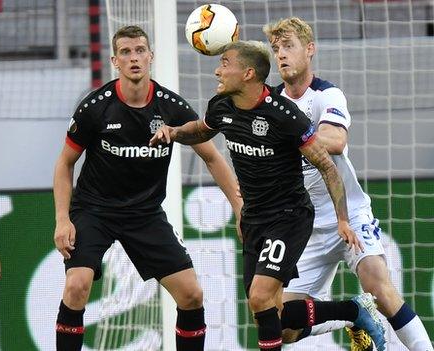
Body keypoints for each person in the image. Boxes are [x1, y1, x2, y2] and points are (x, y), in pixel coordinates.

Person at [150, 40, 387, 351]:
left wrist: (343, 219)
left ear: (248, 73)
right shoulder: (221, 106)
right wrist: (174, 132)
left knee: (261, 297)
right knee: (268, 312)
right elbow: (201, 130)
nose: (217, 70)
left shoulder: (284, 115)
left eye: (225, 63)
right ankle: (353, 311)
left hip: (289, 217)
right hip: (255, 219)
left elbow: (328, 167)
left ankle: (355, 312)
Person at [53, 25, 243, 351]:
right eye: (126, 52)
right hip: (94, 210)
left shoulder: (172, 108)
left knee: (191, 294)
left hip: (144, 214)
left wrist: (241, 207)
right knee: (77, 286)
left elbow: (212, 158)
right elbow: (64, 164)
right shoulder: (95, 107)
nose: (134, 58)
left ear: (150, 56)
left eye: (140, 50)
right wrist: (62, 219)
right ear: (115, 60)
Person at [263, 17, 433, 351]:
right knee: (281, 326)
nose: (281, 54)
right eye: (276, 48)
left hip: (349, 214)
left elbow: (336, 140)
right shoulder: (271, 105)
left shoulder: (326, 94)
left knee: (379, 286)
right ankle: (352, 315)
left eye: (289, 46)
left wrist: (290, 136)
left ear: (309, 50)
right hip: (305, 227)